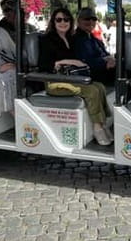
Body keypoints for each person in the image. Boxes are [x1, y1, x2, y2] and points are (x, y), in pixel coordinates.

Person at [39, 8, 113, 146]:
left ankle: (103, 123)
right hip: (55, 81)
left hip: (72, 78)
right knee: (92, 91)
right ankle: (97, 128)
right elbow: (43, 64)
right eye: (59, 20)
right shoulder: (46, 39)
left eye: (66, 19)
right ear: (53, 22)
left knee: (99, 87)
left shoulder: (71, 39)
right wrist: (66, 61)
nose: (63, 22)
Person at [73, 7, 116, 85]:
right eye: (87, 19)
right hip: (90, 76)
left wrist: (111, 59)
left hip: (104, 72)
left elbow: (106, 55)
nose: (91, 21)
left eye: (94, 19)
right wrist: (104, 61)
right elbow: (84, 62)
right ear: (79, 20)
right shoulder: (76, 40)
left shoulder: (95, 39)